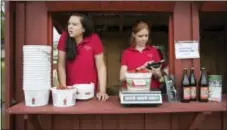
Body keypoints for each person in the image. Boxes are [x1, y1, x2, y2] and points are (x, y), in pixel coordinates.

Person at [57, 13, 109, 101]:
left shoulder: (94, 39)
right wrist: (64, 88)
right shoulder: (64, 37)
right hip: (71, 92)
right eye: (69, 24)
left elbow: (101, 67)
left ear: (83, 29)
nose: (70, 26)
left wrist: (102, 91)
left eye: (74, 24)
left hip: (90, 92)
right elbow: (61, 65)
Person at [120, 20, 163, 89]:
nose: (144, 39)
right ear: (134, 35)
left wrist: (156, 72)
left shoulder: (153, 51)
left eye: (146, 35)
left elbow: (160, 77)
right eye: (140, 36)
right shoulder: (127, 53)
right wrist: (140, 69)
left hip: (151, 91)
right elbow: (122, 77)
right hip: (132, 91)